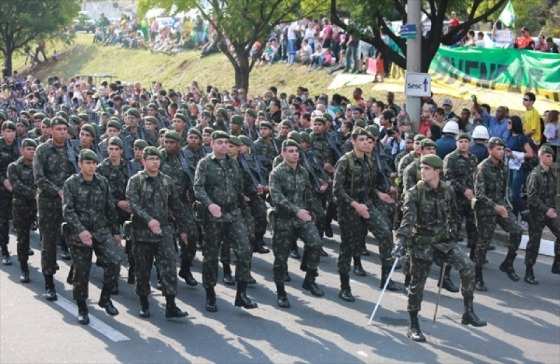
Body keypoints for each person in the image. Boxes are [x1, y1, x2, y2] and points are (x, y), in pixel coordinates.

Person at [393, 154, 486, 343]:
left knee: (468, 267)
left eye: (427, 168)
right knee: (417, 284)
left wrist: (453, 231)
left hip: (444, 242)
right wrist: (401, 241)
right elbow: (408, 219)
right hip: (422, 243)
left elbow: (453, 213)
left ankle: (468, 311)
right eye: (421, 168)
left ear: (437, 171)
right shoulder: (414, 192)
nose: (422, 172)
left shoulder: (447, 190)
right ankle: (413, 325)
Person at [193, 131, 258, 312]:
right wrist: (210, 204)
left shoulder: (234, 163)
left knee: (245, 250)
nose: (223, 145)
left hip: (234, 213)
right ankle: (210, 293)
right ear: (212, 144)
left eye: (226, 143)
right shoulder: (204, 163)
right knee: (211, 256)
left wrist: (246, 205)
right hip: (214, 216)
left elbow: (239, 186)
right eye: (219, 142)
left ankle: (241, 294)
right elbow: (198, 188)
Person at [333, 127, 397, 303]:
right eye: (360, 140)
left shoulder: (369, 160)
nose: (364, 143)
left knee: (386, 234)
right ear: (353, 142)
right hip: (348, 210)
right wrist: (355, 205)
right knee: (348, 247)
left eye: (366, 140)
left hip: (367, 206)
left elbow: (369, 185)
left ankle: (386, 278)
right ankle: (344, 287)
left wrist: (378, 194)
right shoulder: (344, 162)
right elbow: (337, 190)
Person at [126, 146, 189, 319]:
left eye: (157, 159)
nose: (155, 162)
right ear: (143, 161)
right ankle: (144, 304)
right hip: (141, 232)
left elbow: (176, 205)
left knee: (169, 268)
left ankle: (171, 305)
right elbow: (134, 204)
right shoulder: (135, 180)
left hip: (164, 231)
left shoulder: (167, 181)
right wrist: (148, 220)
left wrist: (183, 228)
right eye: (151, 159)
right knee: (143, 270)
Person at [62, 149, 122, 325]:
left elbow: (110, 207)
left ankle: (105, 298)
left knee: (115, 261)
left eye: (94, 163)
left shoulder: (102, 182)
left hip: (101, 230)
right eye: (88, 163)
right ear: (80, 164)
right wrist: (80, 230)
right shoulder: (71, 183)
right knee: (82, 271)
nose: (91, 166)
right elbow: (68, 210)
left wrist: (116, 231)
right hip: (79, 233)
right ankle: (82, 306)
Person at [269, 139, 324, 308]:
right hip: (283, 219)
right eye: (291, 151)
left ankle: (309, 278)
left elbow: (307, 193)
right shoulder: (276, 173)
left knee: (315, 243)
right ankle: (281, 293)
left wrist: (313, 212)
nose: (294, 153)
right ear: (283, 153)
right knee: (281, 258)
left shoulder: (303, 172)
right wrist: (296, 210)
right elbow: (277, 197)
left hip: (302, 218)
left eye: (296, 151)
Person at [33, 116, 77, 301]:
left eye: (64, 129)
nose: (62, 132)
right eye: (58, 129)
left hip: (69, 203)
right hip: (48, 203)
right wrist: (58, 191)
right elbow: (39, 179)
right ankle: (49, 282)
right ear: (51, 130)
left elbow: (77, 172)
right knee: (49, 244)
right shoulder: (42, 150)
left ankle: (75, 275)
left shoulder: (72, 149)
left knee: (76, 241)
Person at [473, 137, 523, 291]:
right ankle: (477, 276)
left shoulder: (503, 167)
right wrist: (495, 207)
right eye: (498, 149)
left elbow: (503, 190)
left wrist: (506, 206)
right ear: (490, 150)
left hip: (501, 206)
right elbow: (479, 194)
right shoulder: (482, 167)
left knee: (517, 231)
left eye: (502, 149)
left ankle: (507, 264)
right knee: (483, 243)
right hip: (485, 210)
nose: (501, 152)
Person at [524, 145, 560, 283]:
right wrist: (546, 210)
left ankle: (557, 263)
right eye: (548, 156)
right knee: (534, 243)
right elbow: (532, 198)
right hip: (537, 214)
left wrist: (554, 210)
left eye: (552, 156)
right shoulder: (535, 175)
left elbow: (553, 195)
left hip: (550, 213)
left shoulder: (552, 174)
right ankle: (529, 271)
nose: (551, 158)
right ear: (541, 156)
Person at [444, 133, 479, 260]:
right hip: (456, 200)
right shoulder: (451, 158)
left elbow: (476, 177)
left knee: (474, 227)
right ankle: (449, 257)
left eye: (466, 141)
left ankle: (474, 255)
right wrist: (463, 190)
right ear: (456, 143)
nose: (463, 144)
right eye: (461, 141)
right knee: (454, 229)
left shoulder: (473, 158)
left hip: (471, 200)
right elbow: (448, 179)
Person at [7, 138, 36, 281]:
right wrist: (35, 193)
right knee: (23, 239)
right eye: (28, 149)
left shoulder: (39, 166)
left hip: (38, 207)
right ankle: (24, 269)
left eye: (33, 149)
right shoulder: (14, 167)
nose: (31, 151)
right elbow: (16, 185)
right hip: (20, 208)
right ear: (22, 150)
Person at [505, 116, 534, 220]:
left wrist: (514, 154)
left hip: (519, 168)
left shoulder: (521, 137)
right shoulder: (508, 136)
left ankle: (526, 215)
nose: (507, 124)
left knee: (515, 194)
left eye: (509, 122)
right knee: (510, 194)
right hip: (510, 167)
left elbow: (530, 154)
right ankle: (514, 217)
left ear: (515, 124)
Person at [0, 121, 19, 265]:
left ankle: (22, 248)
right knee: (3, 220)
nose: (10, 134)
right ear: (2, 132)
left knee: (19, 219)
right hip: (2, 188)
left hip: (17, 188)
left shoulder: (19, 146)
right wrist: (3, 180)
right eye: (7, 131)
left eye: (12, 131)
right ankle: (4, 248)